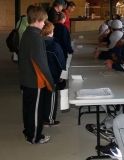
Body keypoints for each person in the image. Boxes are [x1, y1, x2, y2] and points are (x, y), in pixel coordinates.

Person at [18, 6, 54, 144]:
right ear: (38, 20)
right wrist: (50, 82)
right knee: (35, 111)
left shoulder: (28, 33)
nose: (44, 24)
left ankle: (28, 131)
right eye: (43, 21)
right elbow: (41, 63)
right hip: (35, 80)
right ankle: (34, 137)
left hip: (27, 79)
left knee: (28, 108)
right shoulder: (36, 37)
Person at [41, 21, 66, 126]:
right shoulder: (54, 46)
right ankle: (49, 119)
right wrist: (62, 76)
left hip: (40, 75)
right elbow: (61, 63)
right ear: (51, 32)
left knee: (42, 97)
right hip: (52, 76)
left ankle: (41, 117)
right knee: (51, 98)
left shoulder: (38, 44)